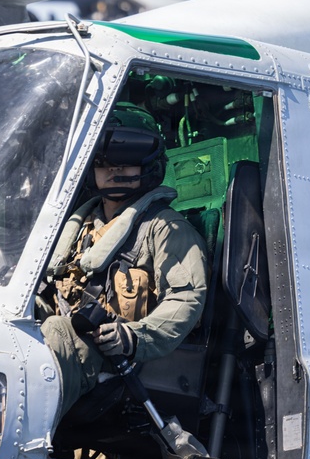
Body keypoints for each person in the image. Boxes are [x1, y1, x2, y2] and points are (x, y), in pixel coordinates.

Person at [41, 103, 209, 420]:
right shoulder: (75, 228)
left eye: (127, 158)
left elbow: (186, 299)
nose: (114, 168)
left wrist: (134, 337)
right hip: (64, 346)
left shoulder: (166, 229)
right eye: (102, 161)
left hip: (117, 364)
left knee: (56, 331)